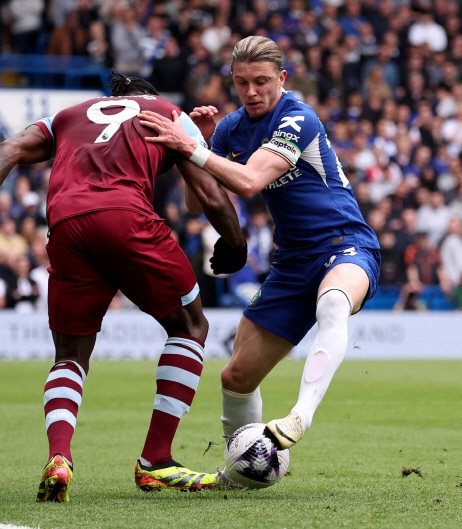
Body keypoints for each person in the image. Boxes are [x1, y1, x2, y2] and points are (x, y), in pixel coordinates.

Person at [0, 72, 247, 500]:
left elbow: (9, 147)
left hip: (65, 225)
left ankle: (60, 456)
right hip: (125, 217)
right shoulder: (166, 112)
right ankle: (156, 460)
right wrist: (235, 242)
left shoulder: (68, 115)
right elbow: (206, 187)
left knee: (70, 353)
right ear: (148, 95)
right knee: (190, 325)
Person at [138, 36, 380, 477]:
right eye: (242, 82)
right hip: (291, 264)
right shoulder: (231, 127)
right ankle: (242, 472)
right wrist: (202, 148)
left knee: (332, 303)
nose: (252, 92)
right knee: (235, 379)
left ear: (282, 79)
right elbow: (197, 205)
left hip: (345, 243)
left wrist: (192, 149)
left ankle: (299, 417)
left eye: (262, 81)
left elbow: (249, 182)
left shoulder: (297, 117)